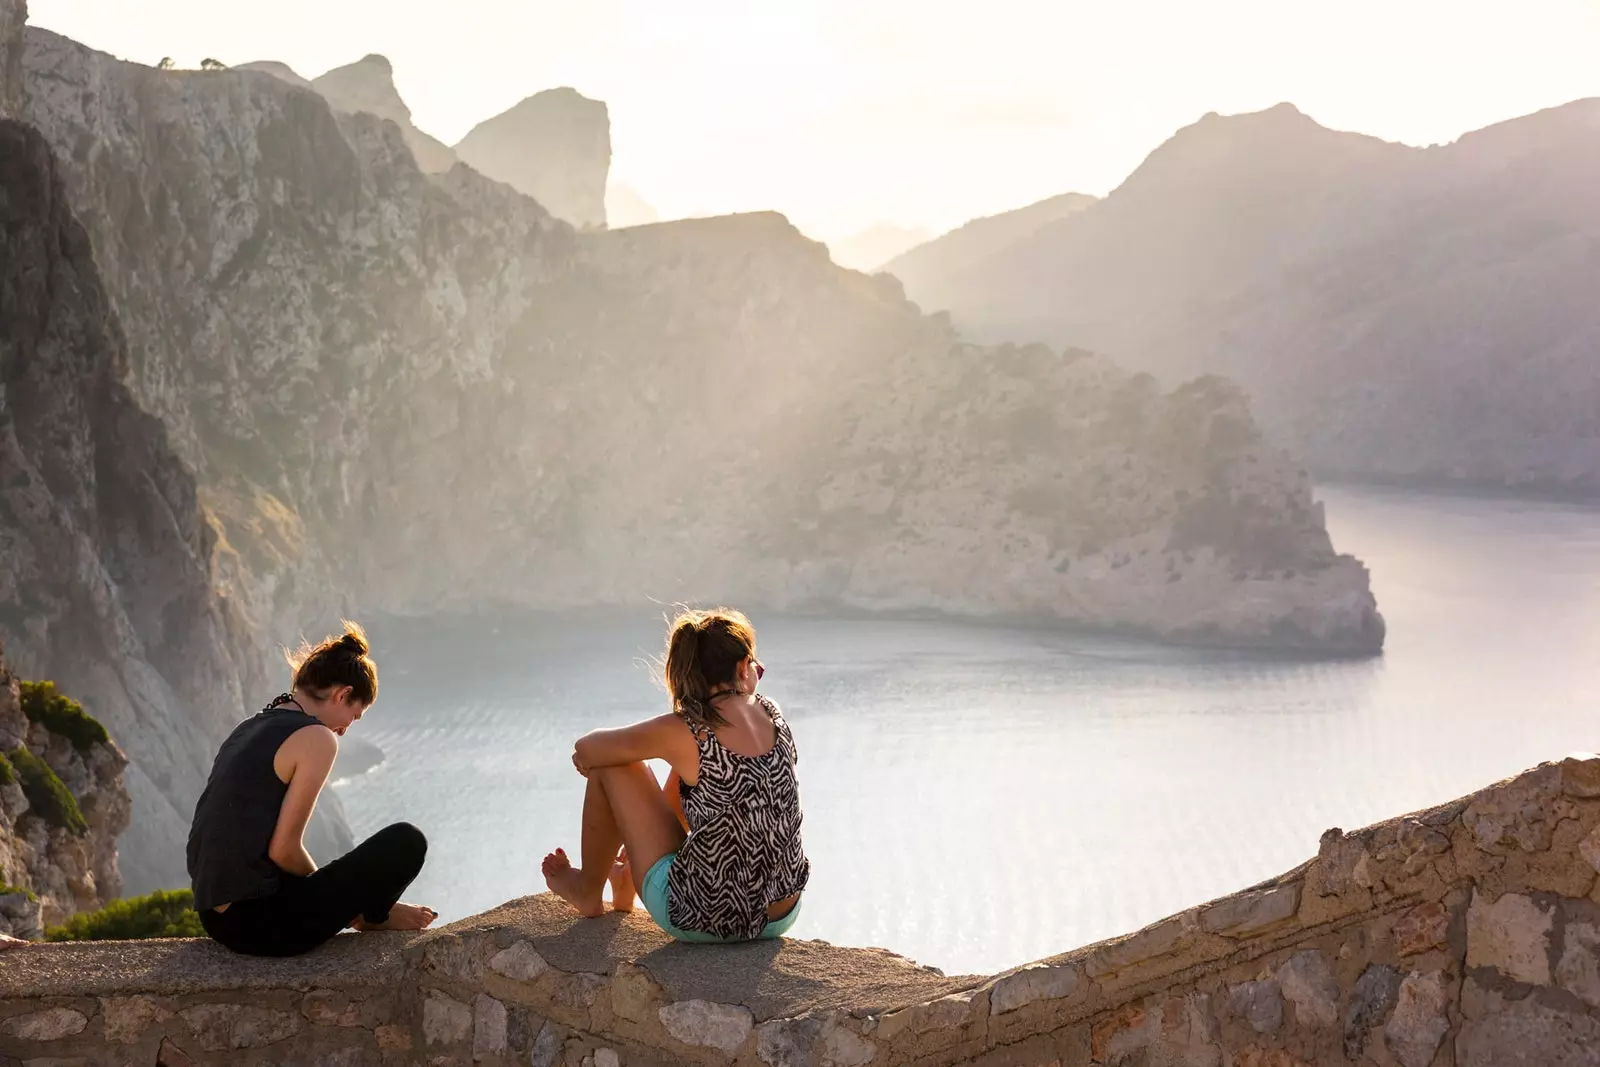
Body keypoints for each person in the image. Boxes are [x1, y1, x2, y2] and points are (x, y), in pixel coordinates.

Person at [543, 608, 809, 942]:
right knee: (694, 775)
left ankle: (587, 891)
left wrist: (592, 763)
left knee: (615, 763)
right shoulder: (772, 712)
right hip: (781, 913)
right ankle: (624, 879)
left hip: (706, 918)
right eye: (757, 664)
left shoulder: (689, 730)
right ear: (743, 668)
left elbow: (587, 748)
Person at [186, 622, 436, 956]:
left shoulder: (249, 727)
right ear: (342, 694)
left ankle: (372, 910)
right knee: (408, 840)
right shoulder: (316, 738)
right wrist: (342, 902)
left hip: (215, 917)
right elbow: (283, 850)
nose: (345, 730)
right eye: (354, 716)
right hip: (259, 924)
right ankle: (373, 916)